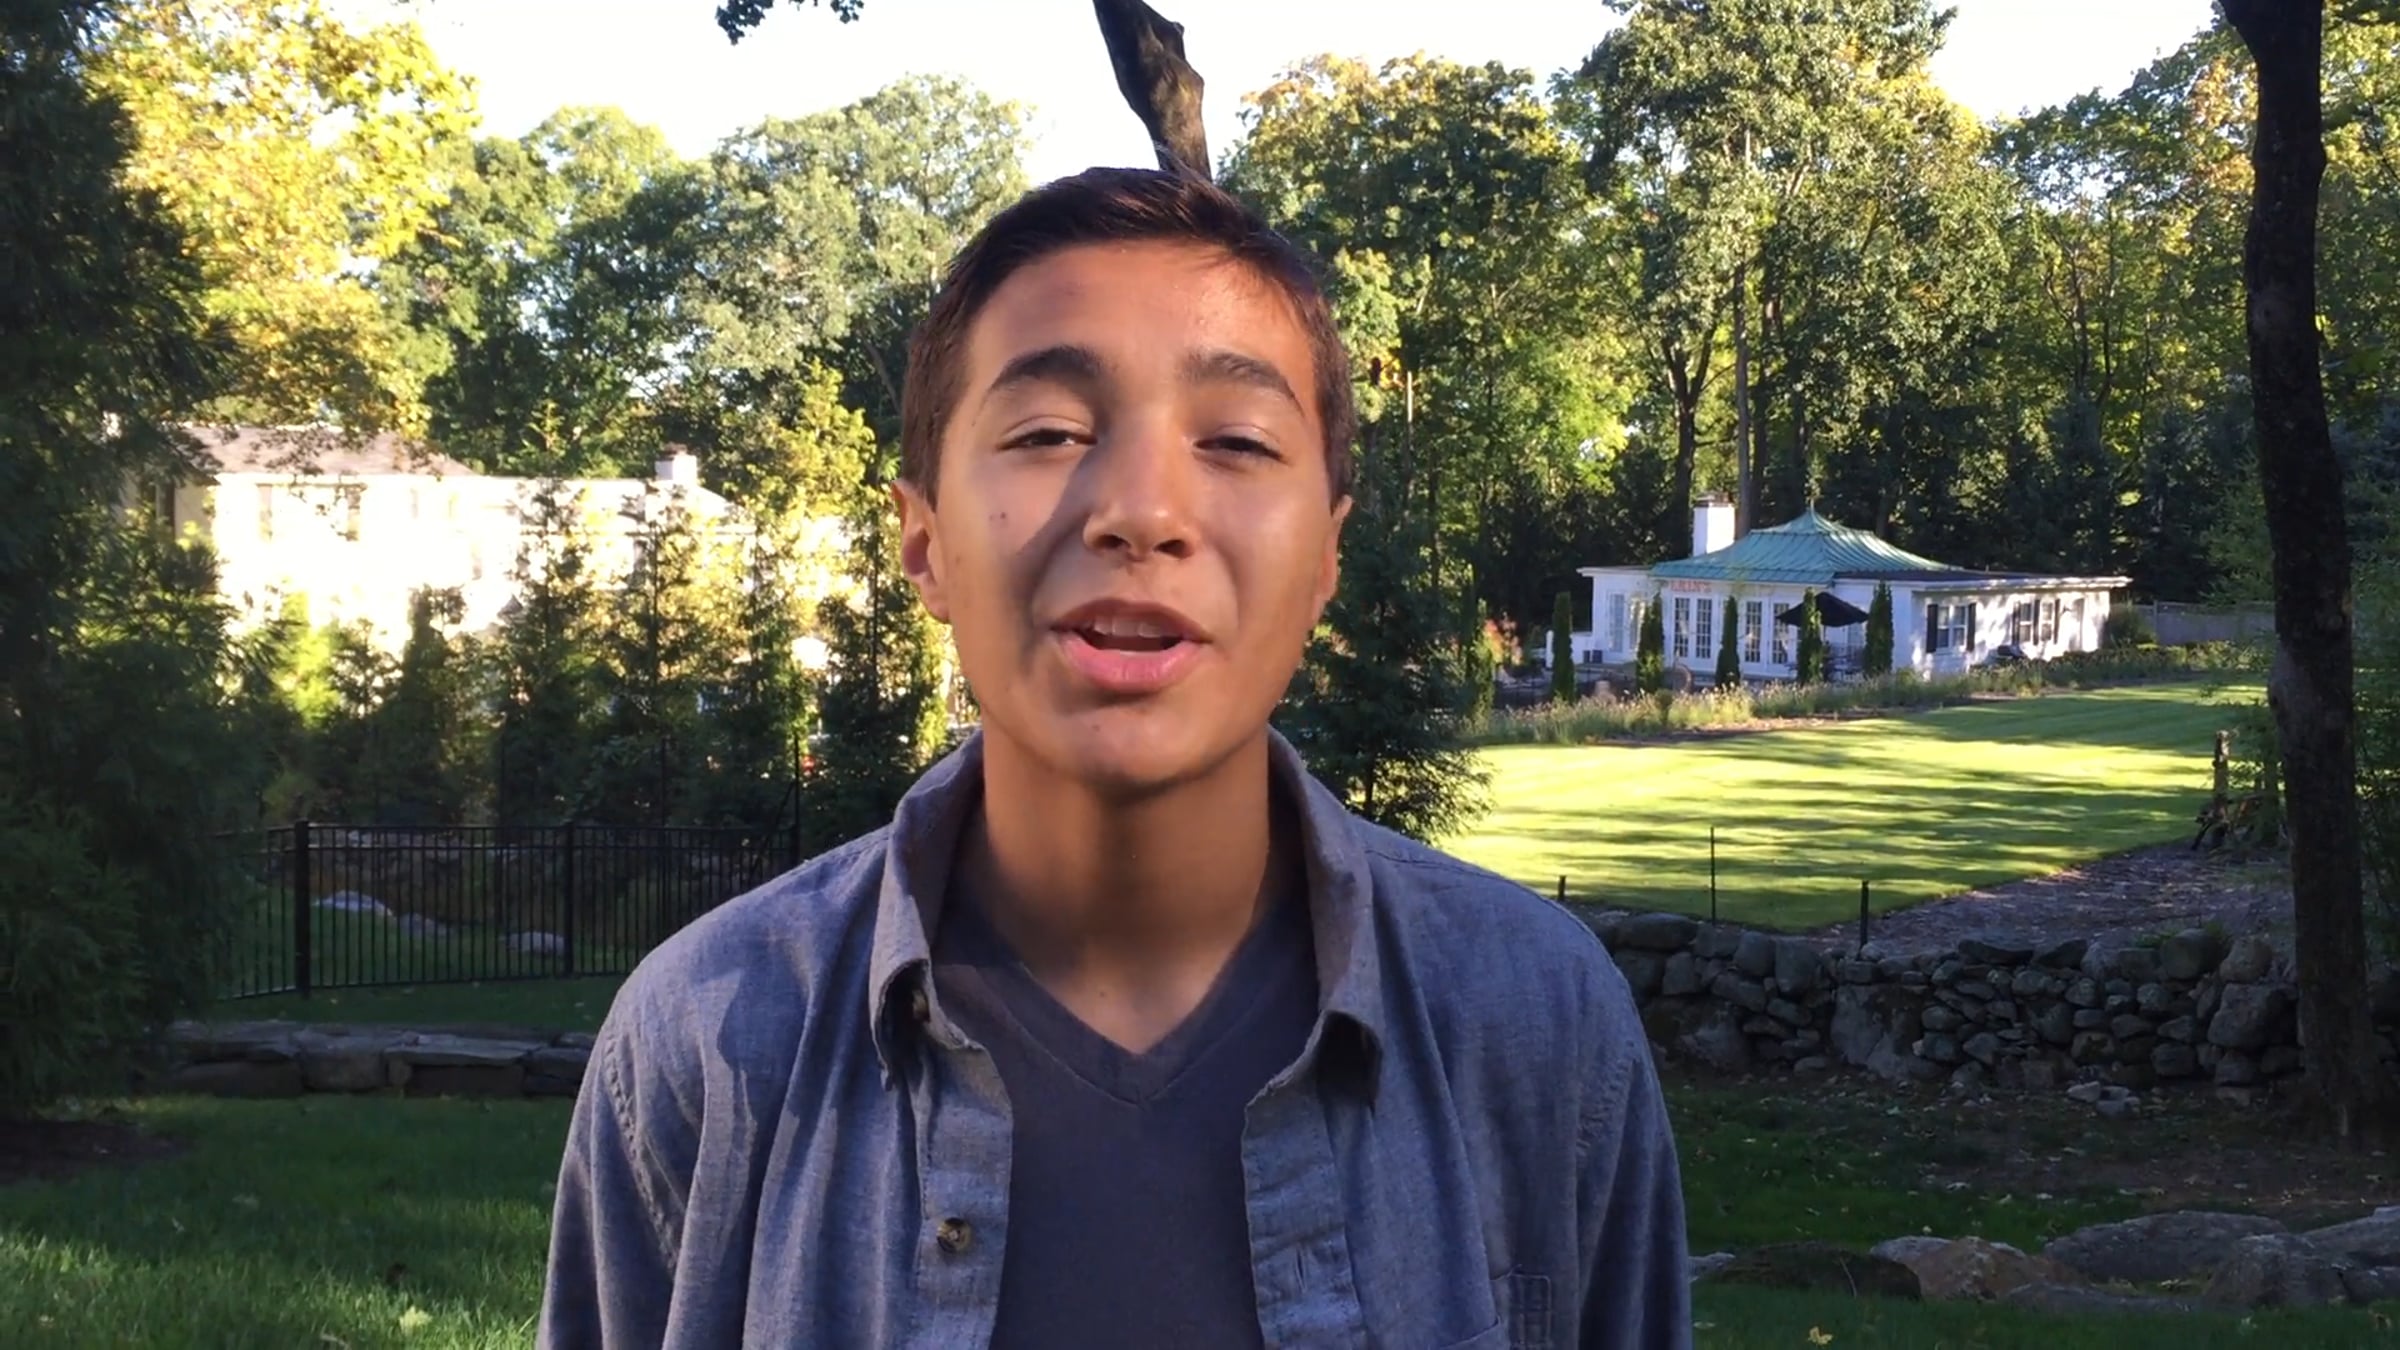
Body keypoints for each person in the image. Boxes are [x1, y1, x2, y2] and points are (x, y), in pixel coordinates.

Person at [540, 166, 1691, 1349]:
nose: (1141, 511)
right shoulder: (706, 1048)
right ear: (924, 543)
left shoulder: (1536, 1025)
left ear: (1325, 559)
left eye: (1236, 440)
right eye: (1048, 433)